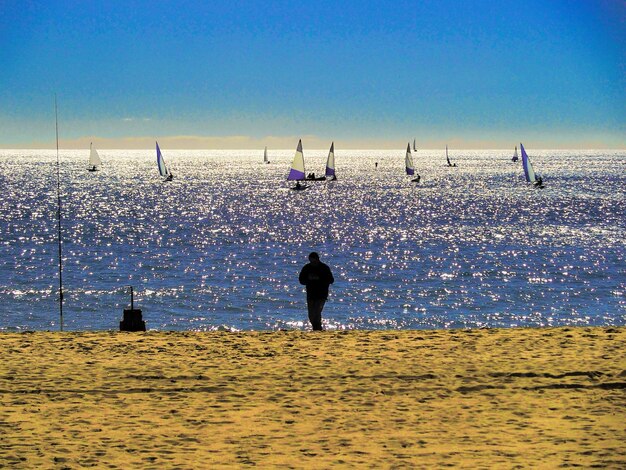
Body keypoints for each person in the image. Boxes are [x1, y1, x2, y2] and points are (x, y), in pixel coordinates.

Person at [299, 252, 334, 331]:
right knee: (311, 315)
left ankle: (317, 329)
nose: (313, 263)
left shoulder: (324, 268)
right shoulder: (307, 268)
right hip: (311, 294)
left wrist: (319, 278)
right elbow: (301, 280)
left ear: (318, 259)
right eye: (311, 261)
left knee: (317, 312)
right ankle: (317, 328)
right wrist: (309, 279)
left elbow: (331, 280)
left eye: (314, 261)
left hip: (321, 294)